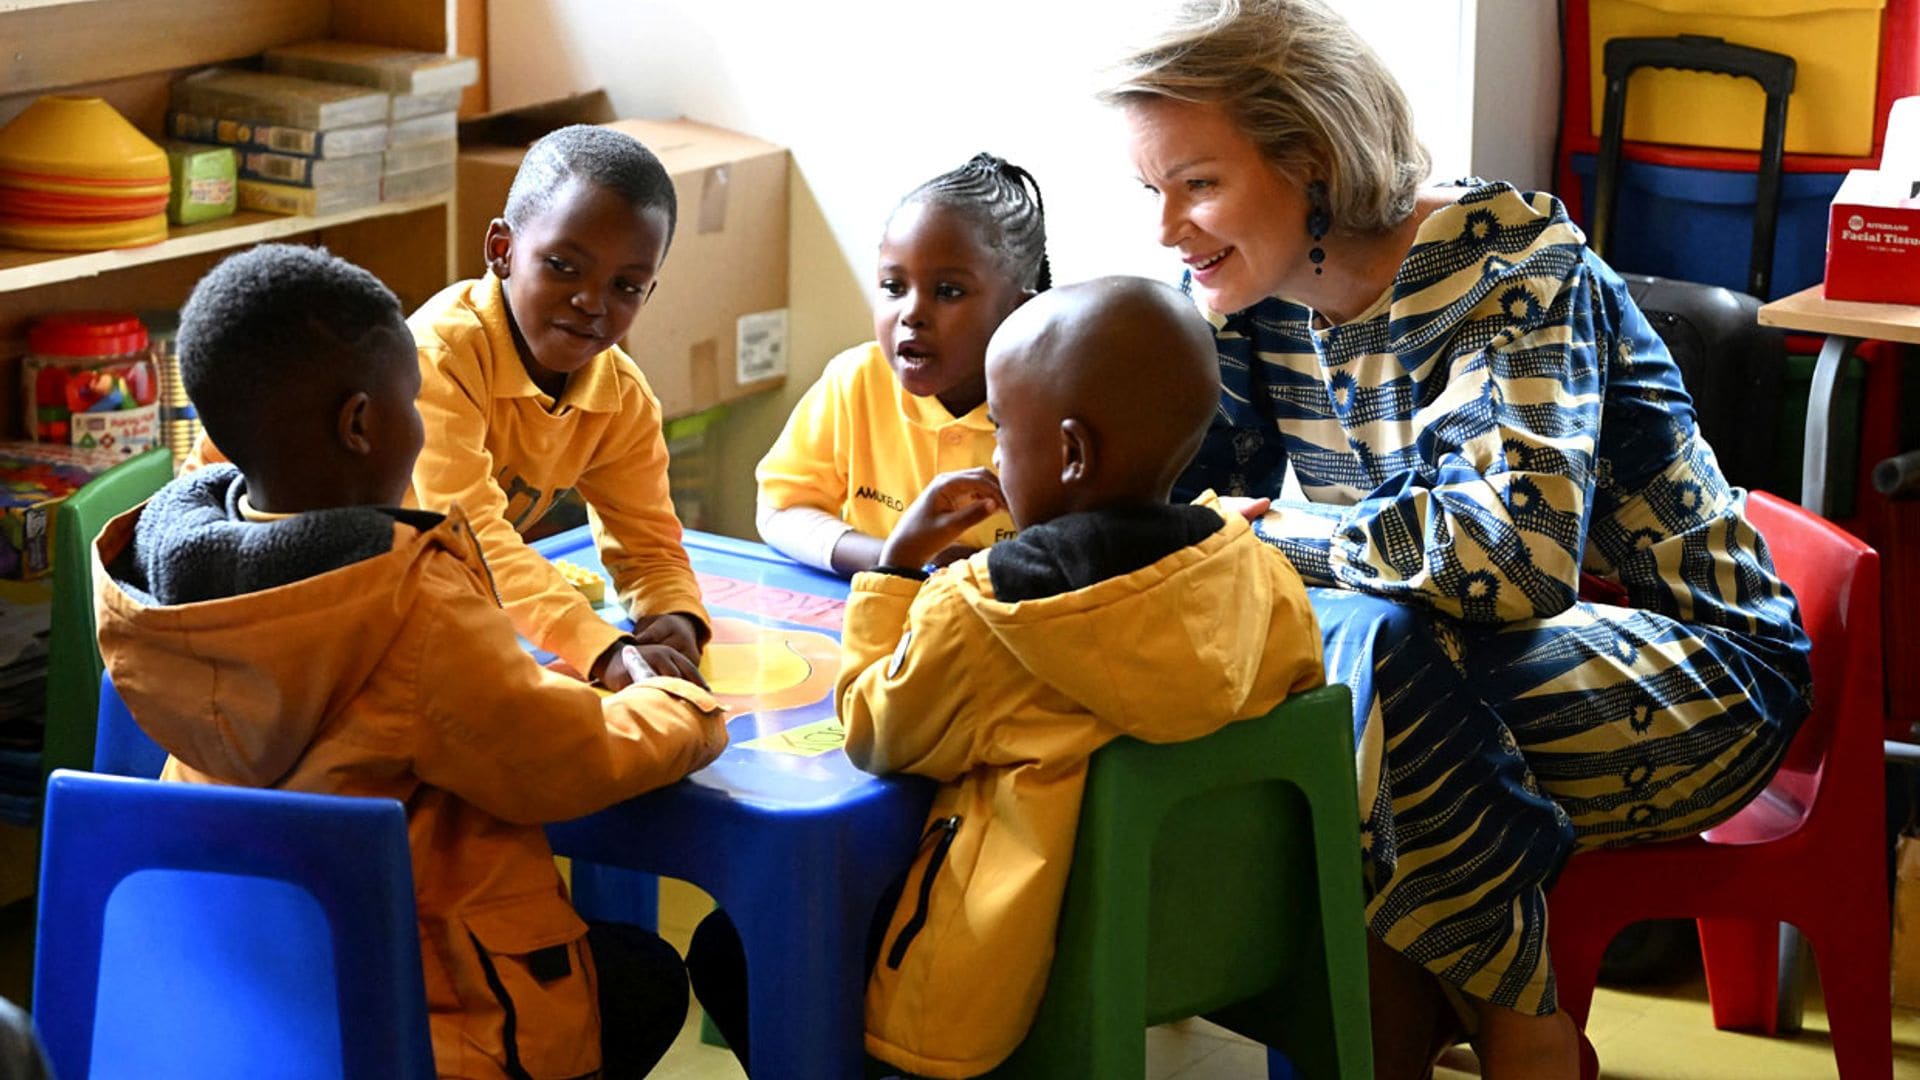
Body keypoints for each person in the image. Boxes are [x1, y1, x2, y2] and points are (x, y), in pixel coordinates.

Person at [1101, 2, 1814, 1077]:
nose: (1168, 229)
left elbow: (1508, 564)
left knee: (1362, 669)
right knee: (1314, 663)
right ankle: (1415, 1023)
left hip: (1697, 670)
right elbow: (1186, 529)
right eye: (1151, 191)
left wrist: (1277, 540)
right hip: (1439, 666)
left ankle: (1518, 1031)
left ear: (1316, 164)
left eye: (1197, 184)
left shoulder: (1511, 265)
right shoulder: (1244, 293)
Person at [93, 244, 730, 1079]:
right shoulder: (408, 606)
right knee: (644, 978)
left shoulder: (171, 582)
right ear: (362, 425)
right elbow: (558, 763)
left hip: (242, 991)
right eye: (414, 407)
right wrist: (684, 708)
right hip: (417, 1012)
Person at [688, 277, 1324, 1077]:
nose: (992, 455)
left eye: (1001, 431)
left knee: (737, 943)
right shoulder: (1259, 575)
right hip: (1198, 934)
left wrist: (891, 572)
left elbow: (872, 731)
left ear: (1069, 452)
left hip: (1005, 969)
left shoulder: (989, 615)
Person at [410, 124, 710, 691]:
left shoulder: (620, 397)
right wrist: (602, 649)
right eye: (563, 266)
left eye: (626, 286)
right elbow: (473, 540)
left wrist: (674, 614)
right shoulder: (439, 357)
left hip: (424, 590)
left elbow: (647, 543)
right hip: (288, 577)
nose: (591, 302)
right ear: (502, 250)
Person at [753, 153, 1046, 576]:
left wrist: (993, 570)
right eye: (893, 287)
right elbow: (781, 509)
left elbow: (1089, 557)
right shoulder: (855, 381)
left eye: (947, 291)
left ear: (1017, 310)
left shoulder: (1053, 408)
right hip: (876, 618)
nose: (911, 314)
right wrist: (893, 558)